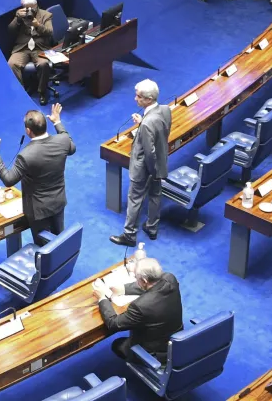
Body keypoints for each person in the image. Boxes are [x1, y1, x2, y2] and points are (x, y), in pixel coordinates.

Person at [0, 103, 75, 236]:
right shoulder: (63, 141)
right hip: (58, 203)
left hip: (38, 211)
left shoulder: (26, 155)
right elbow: (71, 147)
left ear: (28, 131)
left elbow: (9, 179)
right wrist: (57, 122)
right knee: (59, 242)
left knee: (43, 248)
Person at [112, 79, 171, 246]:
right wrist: (143, 122)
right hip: (160, 162)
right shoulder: (165, 110)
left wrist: (152, 171)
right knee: (155, 195)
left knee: (135, 199)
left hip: (145, 168)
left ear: (149, 99)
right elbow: (160, 131)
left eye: (138, 97)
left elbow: (148, 151)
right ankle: (152, 227)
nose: (135, 99)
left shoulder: (146, 124)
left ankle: (129, 235)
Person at [93, 257, 183, 362]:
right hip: (176, 339)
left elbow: (113, 324)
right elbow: (154, 287)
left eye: (136, 278)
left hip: (155, 353)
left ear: (144, 281)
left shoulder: (140, 306)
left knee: (117, 345)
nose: (136, 280)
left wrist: (102, 298)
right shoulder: (170, 278)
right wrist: (124, 289)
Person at [7, 0, 55, 105]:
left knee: (43, 64)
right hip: (22, 48)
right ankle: (21, 94)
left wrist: (38, 25)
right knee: (12, 64)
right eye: (27, 8)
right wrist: (18, 19)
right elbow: (10, 31)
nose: (30, 10)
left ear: (36, 4)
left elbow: (50, 32)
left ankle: (42, 92)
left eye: (32, 7)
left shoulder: (46, 15)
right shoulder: (20, 15)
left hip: (40, 48)